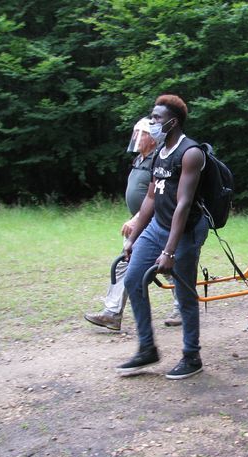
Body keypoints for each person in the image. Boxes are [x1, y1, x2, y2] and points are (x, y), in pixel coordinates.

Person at [116, 94, 209, 379]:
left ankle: (192, 356)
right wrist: (134, 237)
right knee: (132, 279)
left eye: (156, 118)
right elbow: (150, 198)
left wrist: (169, 251)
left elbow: (183, 203)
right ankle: (147, 348)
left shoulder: (190, 153)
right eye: (152, 116)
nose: (152, 122)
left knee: (184, 292)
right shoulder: (158, 153)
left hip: (185, 231)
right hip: (157, 226)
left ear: (173, 121)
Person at [83, 117, 181, 331]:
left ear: (153, 139)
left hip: (158, 222)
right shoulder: (140, 159)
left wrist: (137, 217)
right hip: (142, 223)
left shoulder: (160, 159)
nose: (136, 137)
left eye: (141, 133)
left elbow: (163, 196)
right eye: (135, 133)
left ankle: (182, 307)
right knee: (124, 265)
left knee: (166, 266)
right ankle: (112, 314)